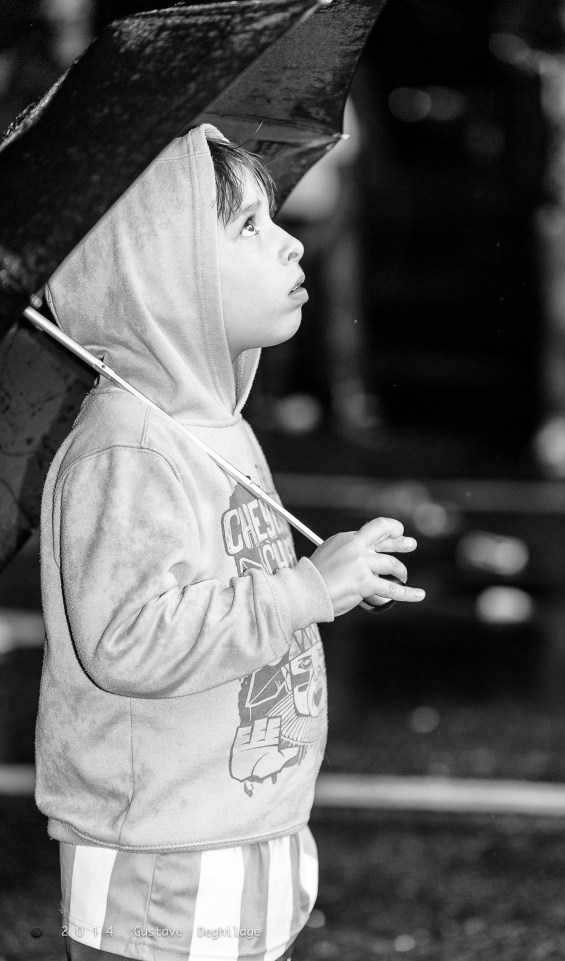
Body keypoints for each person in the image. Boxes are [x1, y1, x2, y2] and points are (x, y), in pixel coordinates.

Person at [36, 123, 424, 961]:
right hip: (163, 854)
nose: (288, 245)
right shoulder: (129, 447)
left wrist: (334, 575)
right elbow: (129, 638)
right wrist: (301, 592)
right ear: (160, 274)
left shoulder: (213, 424)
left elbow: (237, 582)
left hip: (241, 815)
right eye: (247, 227)